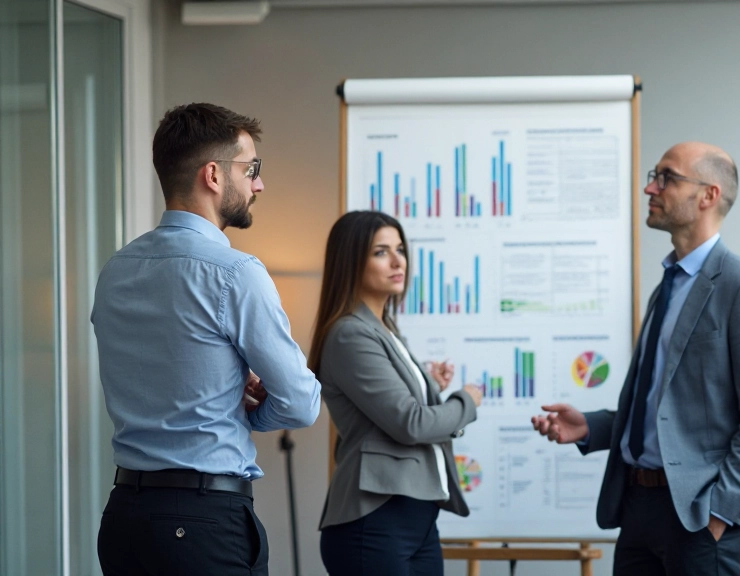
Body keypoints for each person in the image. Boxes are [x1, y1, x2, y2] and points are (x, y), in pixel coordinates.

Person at [531, 142, 740, 576]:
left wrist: (721, 512)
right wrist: (591, 426)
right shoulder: (666, 287)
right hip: (637, 508)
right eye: (655, 176)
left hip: (699, 519)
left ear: (708, 195)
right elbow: (671, 411)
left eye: (667, 177)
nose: (651, 188)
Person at [92, 103, 322, 576]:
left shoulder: (115, 271)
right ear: (213, 175)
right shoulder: (235, 273)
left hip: (124, 519)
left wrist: (222, 394)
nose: (259, 184)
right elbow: (301, 404)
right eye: (251, 169)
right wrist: (249, 411)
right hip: (202, 524)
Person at [309, 210, 483, 576]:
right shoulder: (351, 333)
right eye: (380, 252)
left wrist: (428, 384)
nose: (397, 261)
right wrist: (466, 401)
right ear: (351, 261)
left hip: (415, 519)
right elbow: (410, 423)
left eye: (400, 249)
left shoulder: (383, 329)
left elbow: (389, 409)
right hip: (376, 520)